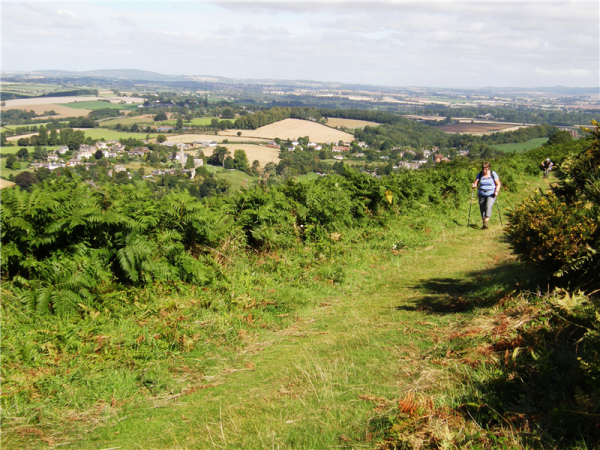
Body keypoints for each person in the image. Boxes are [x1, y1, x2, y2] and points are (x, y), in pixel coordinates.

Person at [471, 162, 501, 229]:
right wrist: (474, 185)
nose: (485, 171)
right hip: (481, 193)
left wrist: (496, 191)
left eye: (486, 169)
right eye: (484, 169)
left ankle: (486, 221)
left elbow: (498, 184)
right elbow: (476, 183)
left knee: (488, 206)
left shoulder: (493, 174)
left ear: (489, 168)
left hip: (491, 193)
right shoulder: (480, 174)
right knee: (482, 208)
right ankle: (485, 224)